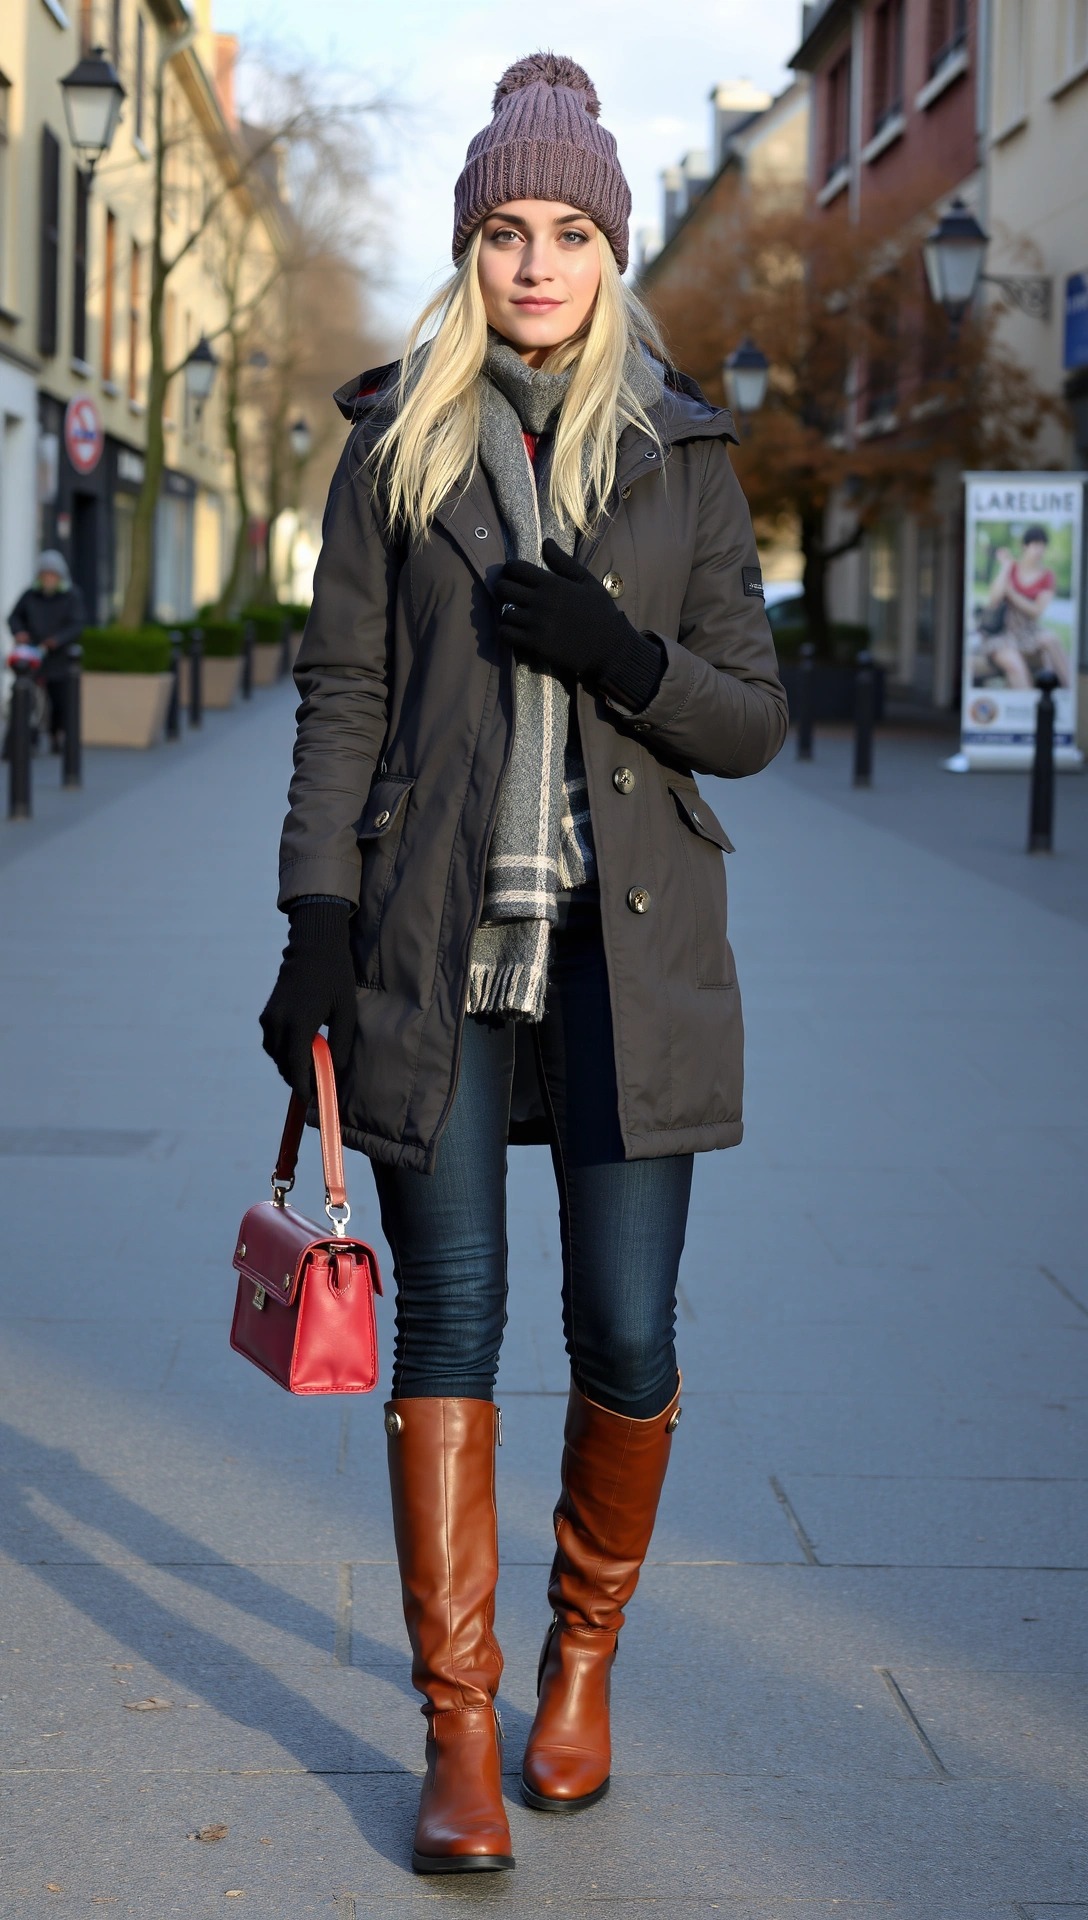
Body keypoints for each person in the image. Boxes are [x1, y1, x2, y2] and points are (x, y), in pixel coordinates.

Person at [260, 52, 787, 1877]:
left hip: (628, 954)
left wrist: (618, 653)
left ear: (611, 249)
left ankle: (581, 1668)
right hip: (430, 947)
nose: (537, 261)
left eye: (569, 231)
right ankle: (460, 1730)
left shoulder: (684, 452)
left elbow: (751, 720)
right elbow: (343, 698)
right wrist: (311, 926)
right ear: (469, 245)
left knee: (626, 1331)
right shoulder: (393, 439)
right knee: (455, 1323)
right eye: (506, 229)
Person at [972, 524, 1069, 688]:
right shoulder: (1012, 568)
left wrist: (1011, 593)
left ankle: (1069, 691)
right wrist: (1005, 566)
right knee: (1016, 667)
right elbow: (994, 600)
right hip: (1002, 633)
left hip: (1029, 631)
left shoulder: (1047, 576)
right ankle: (1026, 705)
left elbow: (1036, 612)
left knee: (1053, 640)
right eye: (1035, 545)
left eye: (1042, 546)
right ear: (1025, 546)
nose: (1039, 551)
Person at [7, 551, 86, 751]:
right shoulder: (30, 595)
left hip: (59, 659)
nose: (48, 579)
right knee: (26, 700)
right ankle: (21, 744)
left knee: (60, 702)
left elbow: (77, 624)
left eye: (52, 575)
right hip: (32, 656)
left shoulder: (71, 595)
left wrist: (57, 640)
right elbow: (14, 617)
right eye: (45, 575)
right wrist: (19, 632)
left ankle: (56, 736)